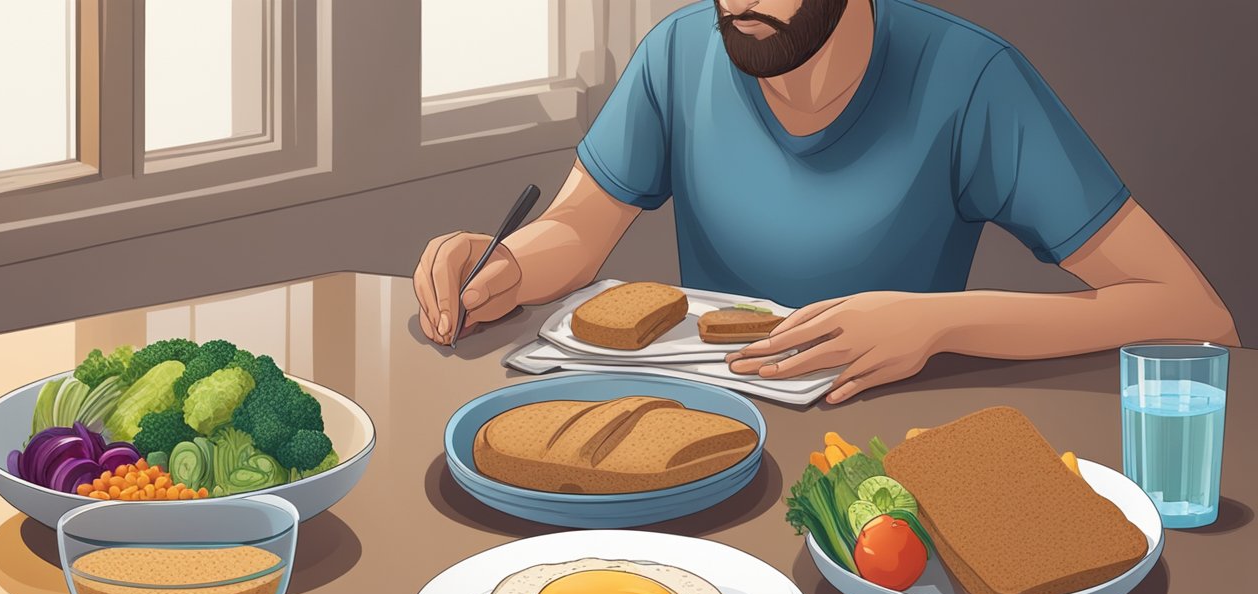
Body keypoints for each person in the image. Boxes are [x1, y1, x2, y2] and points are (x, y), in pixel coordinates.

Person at [413, 0, 1238, 403]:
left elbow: (1191, 314)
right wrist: (506, 266)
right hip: (718, 431)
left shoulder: (973, 79)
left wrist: (940, 323)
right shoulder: (676, 52)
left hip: (889, 454)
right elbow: (581, 228)